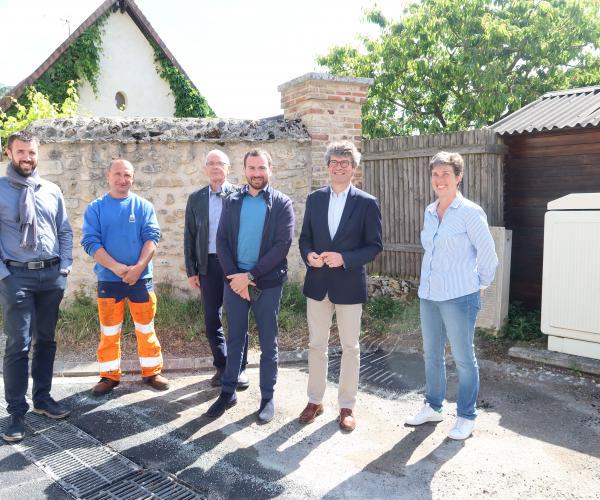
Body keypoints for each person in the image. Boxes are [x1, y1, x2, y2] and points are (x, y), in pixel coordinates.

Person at [405, 151, 498, 440]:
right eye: (435, 174)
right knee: (431, 353)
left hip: (459, 296)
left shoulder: (470, 212)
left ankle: (467, 416)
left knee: (462, 357)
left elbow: (488, 255)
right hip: (429, 294)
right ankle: (433, 406)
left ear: (458, 177)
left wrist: (478, 285)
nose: (439, 179)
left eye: (446, 174)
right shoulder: (430, 212)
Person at [298, 140, 382, 432]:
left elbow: (374, 246)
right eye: (334, 162)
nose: (339, 167)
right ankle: (314, 400)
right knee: (316, 345)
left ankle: (347, 406)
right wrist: (309, 256)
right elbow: (304, 238)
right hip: (318, 283)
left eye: (345, 163)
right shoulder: (315, 199)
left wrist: (344, 258)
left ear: (354, 168)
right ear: (328, 166)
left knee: (350, 347)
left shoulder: (367, 203)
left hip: (348, 284)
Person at [206, 148, 294, 423]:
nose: (257, 174)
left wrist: (250, 276)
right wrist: (235, 276)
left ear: (270, 169)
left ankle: (267, 397)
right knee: (235, 338)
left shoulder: (281, 203)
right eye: (252, 168)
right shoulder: (232, 200)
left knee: (269, 342)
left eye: (261, 168)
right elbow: (221, 241)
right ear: (244, 170)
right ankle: (228, 391)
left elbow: (282, 246)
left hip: (266, 283)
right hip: (234, 282)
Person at [0, 131, 73, 443]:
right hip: (17, 276)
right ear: (8, 152)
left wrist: (65, 266)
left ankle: (43, 398)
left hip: (51, 276)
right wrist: (4, 274)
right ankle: (16, 411)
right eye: (21, 152)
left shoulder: (51, 190)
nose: (26, 158)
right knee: (19, 343)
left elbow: (65, 230)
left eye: (31, 153)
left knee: (46, 340)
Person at [81, 159, 169, 396]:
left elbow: (152, 238)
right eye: (118, 174)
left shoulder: (143, 206)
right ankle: (109, 376)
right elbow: (90, 242)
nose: (123, 180)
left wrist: (138, 268)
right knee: (109, 331)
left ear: (133, 178)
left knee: (146, 327)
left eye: (127, 175)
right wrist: (119, 268)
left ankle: (152, 372)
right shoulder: (96, 208)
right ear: (107, 175)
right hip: (109, 281)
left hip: (141, 280)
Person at [184, 149, 249, 388]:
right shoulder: (196, 199)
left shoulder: (241, 195)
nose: (214, 167)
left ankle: (239, 369)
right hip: (208, 265)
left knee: (237, 318)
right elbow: (189, 236)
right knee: (212, 319)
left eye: (219, 163)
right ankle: (222, 367)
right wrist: (192, 270)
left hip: (235, 265)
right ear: (205, 169)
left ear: (228, 168)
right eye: (210, 163)